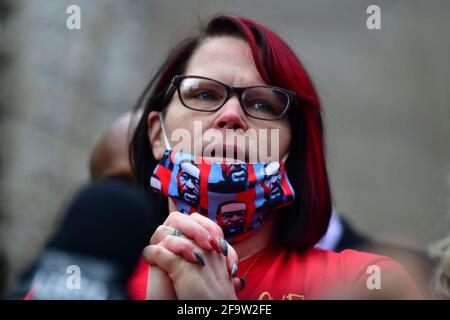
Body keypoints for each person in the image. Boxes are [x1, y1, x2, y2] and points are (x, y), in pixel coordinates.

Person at [123, 14, 422, 299]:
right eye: (205, 94)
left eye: (262, 104)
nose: (231, 115)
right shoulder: (105, 278)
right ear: (157, 135)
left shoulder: (366, 283)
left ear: (293, 147)